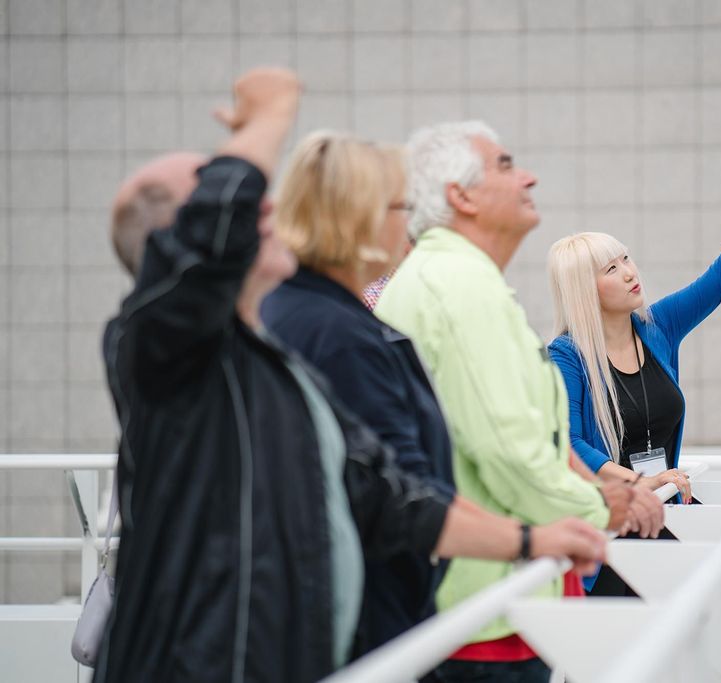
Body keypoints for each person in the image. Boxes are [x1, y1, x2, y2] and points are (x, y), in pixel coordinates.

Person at [98, 70, 606, 683]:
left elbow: (387, 495)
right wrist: (268, 116)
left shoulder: (275, 363)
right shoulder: (157, 351)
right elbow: (211, 241)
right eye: (234, 201)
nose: (266, 208)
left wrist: (530, 540)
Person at [374, 121, 665, 683]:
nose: (528, 177)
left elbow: (532, 437)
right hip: (483, 613)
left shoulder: (452, 278)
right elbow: (507, 450)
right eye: (506, 165)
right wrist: (602, 510)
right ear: (461, 196)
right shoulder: (459, 285)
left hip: (482, 599)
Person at [546, 150, 721, 595]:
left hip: (662, 506)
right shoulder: (567, 355)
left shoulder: (657, 327)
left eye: (626, 259)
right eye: (612, 268)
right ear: (585, 289)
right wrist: (639, 481)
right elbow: (570, 443)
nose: (630, 273)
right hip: (612, 526)